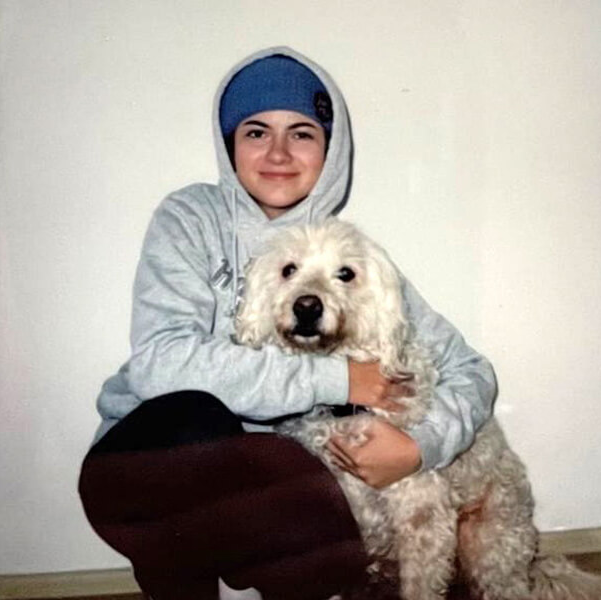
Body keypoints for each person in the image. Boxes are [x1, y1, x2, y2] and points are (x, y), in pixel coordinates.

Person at [79, 47, 496, 600]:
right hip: (144, 462)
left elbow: (470, 370)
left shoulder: (356, 260)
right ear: (231, 143)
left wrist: (419, 448)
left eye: (301, 133)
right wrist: (340, 380)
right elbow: (161, 365)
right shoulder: (190, 218)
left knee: (318, 503)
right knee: (194, 419)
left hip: (271, 478)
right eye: (256, 132)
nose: (278, 152)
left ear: (329, 149)